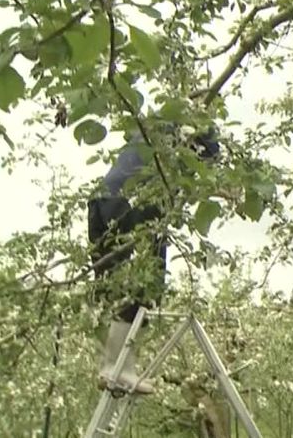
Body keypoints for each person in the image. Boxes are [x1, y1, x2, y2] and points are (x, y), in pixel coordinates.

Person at [87, 125, 221, 394]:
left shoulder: (156, 131)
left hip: (100, 202)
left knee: (110, 284)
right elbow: (200, 178)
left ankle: (109, 366)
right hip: (134, 205)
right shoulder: (185, 143)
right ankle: (121, 370)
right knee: (145, 283)